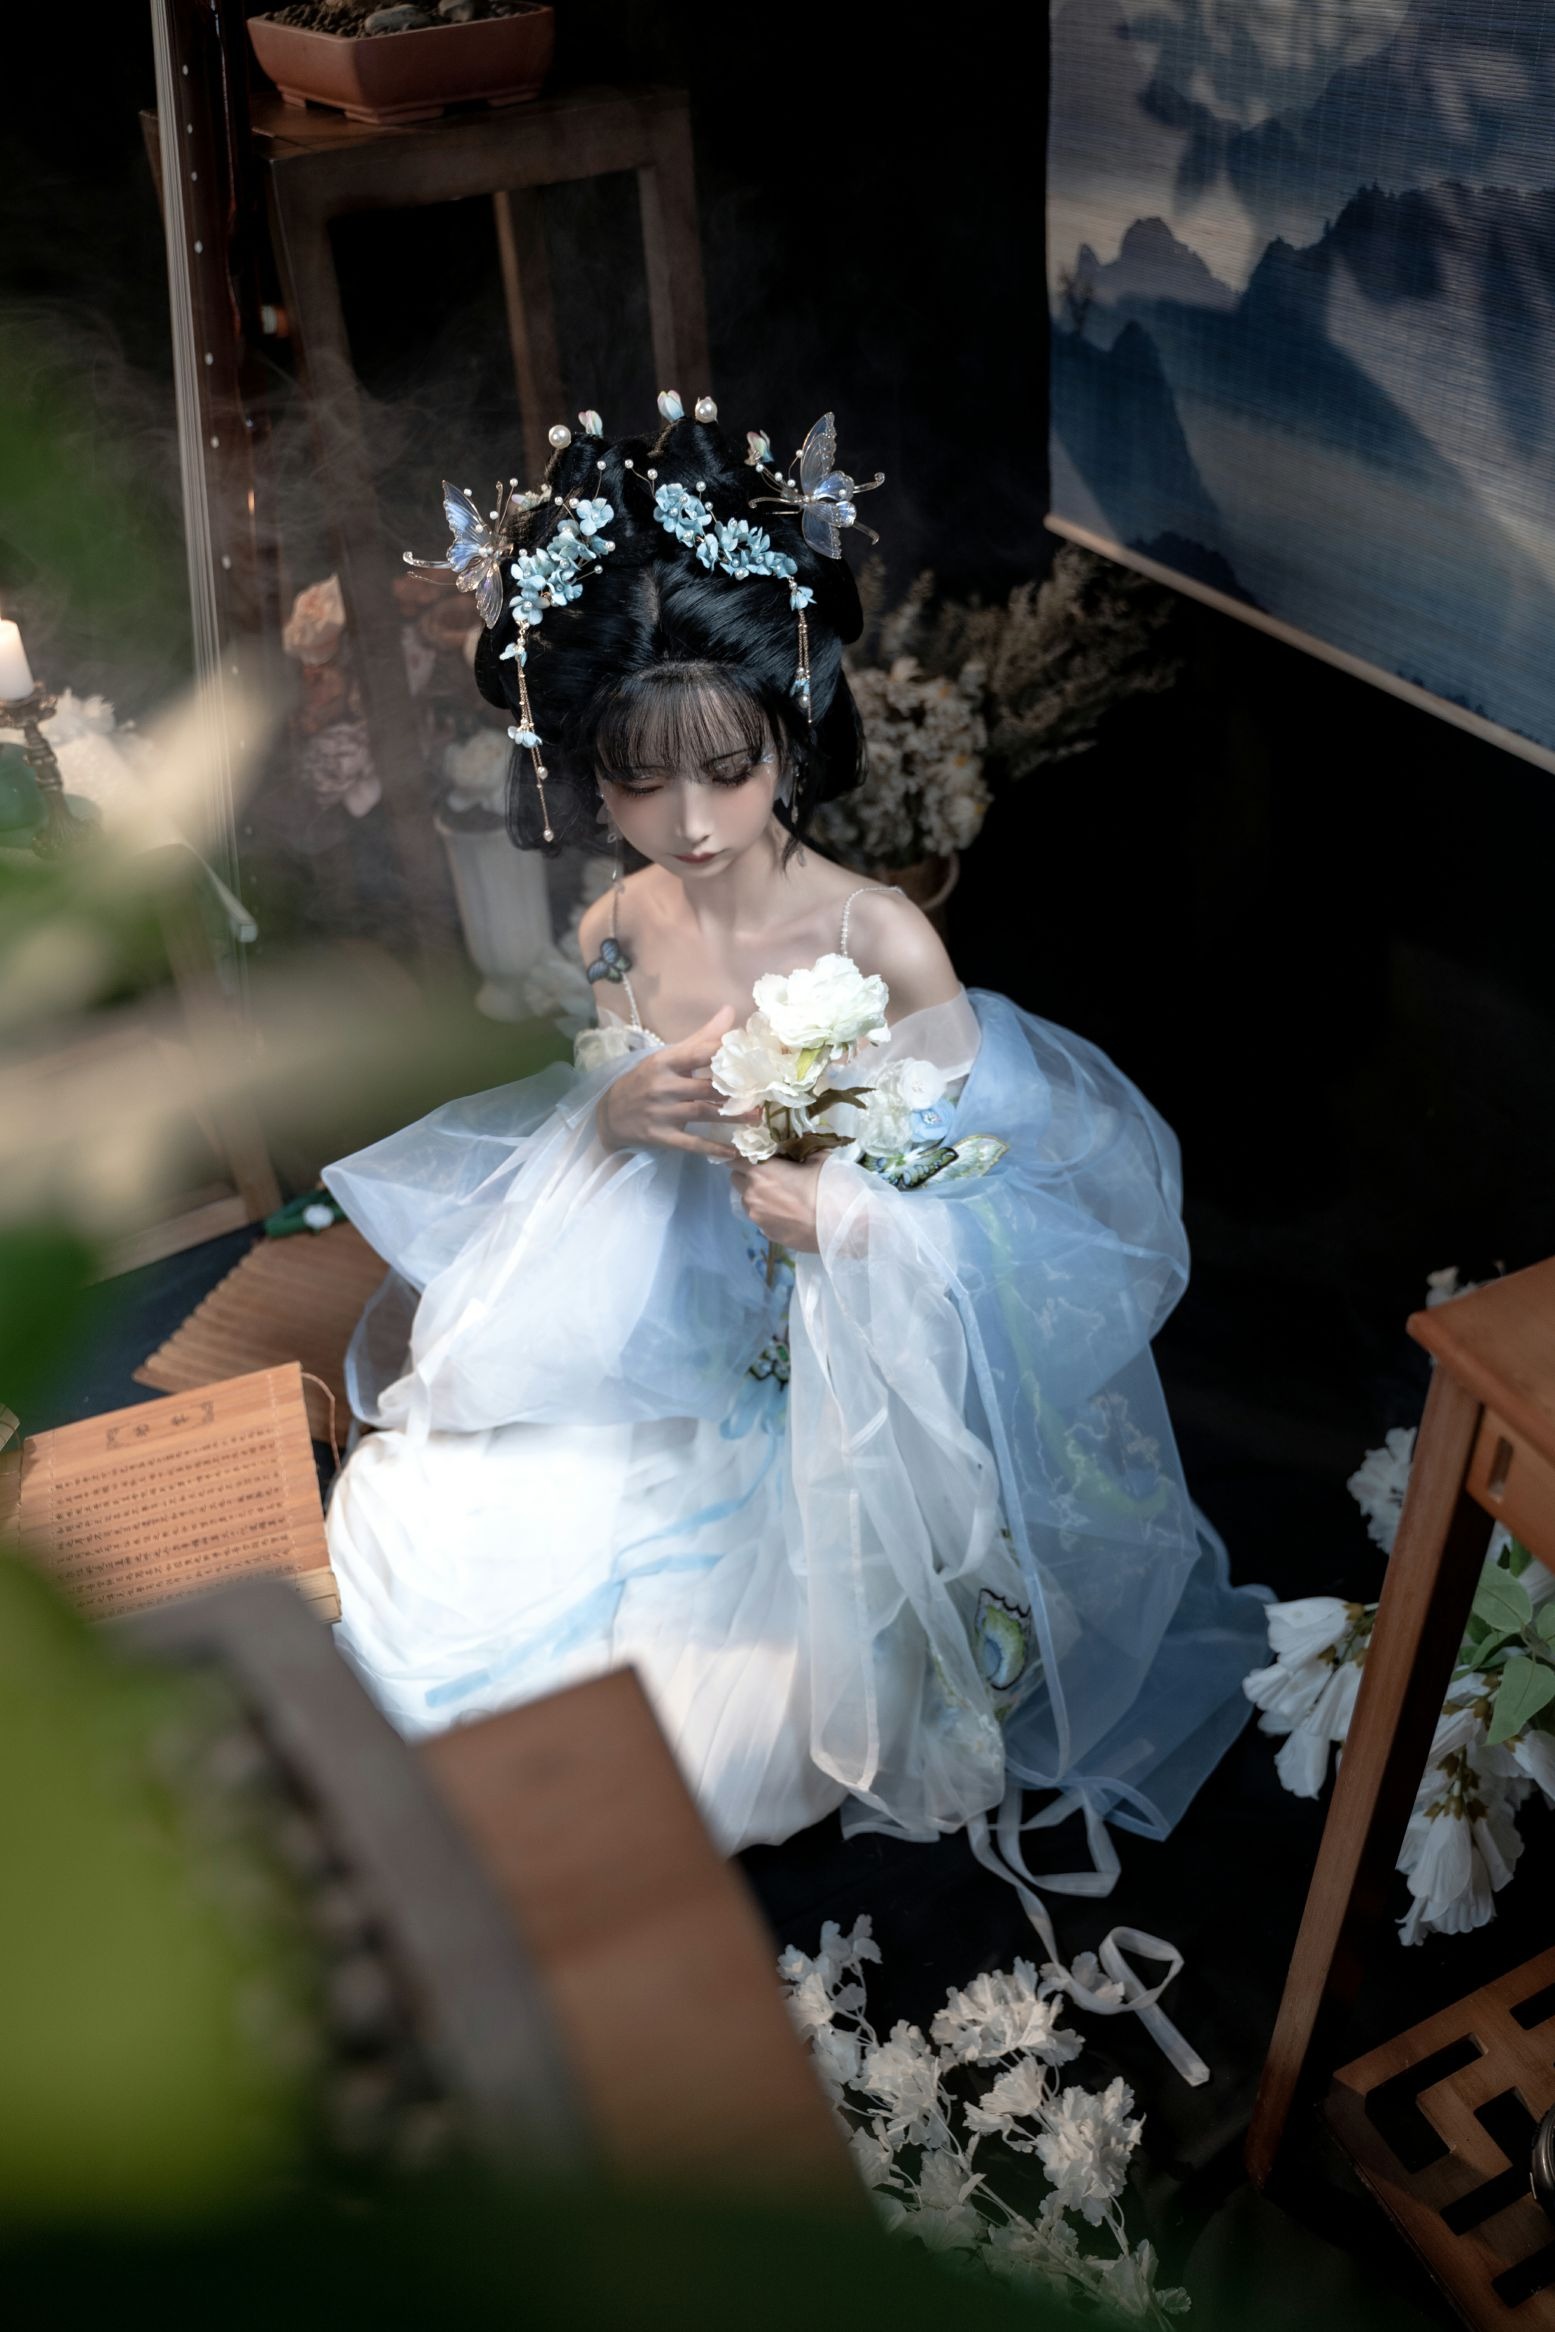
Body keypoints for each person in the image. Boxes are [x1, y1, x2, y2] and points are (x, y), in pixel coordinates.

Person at [323, 396, 1267, 2058]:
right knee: (440, 1545)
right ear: (588, 771)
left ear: (791, 730)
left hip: (842, 1389)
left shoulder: (881, 939)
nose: (689, 823)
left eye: (728, 769)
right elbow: (607, 1127)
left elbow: (1015, 1195)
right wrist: (616, 1116)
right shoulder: (620, 923)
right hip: (677, 1332)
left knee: (730, 1738)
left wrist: (855, 1215)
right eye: (637, 782)